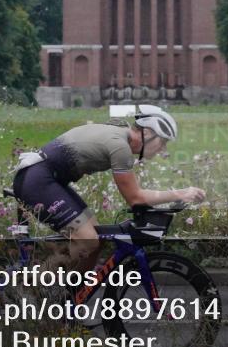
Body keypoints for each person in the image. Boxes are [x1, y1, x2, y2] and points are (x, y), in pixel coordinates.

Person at [11, 105, 205, 274]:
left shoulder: (121, 135)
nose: (163, 149)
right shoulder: (120, 146)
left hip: (45, 179)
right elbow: (135, 198)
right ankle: (33, 287)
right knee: (88, 241)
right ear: (147, 133)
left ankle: (68, 302)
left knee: (97, 239)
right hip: (36, 181)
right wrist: (179, 193)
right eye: (162, 142)